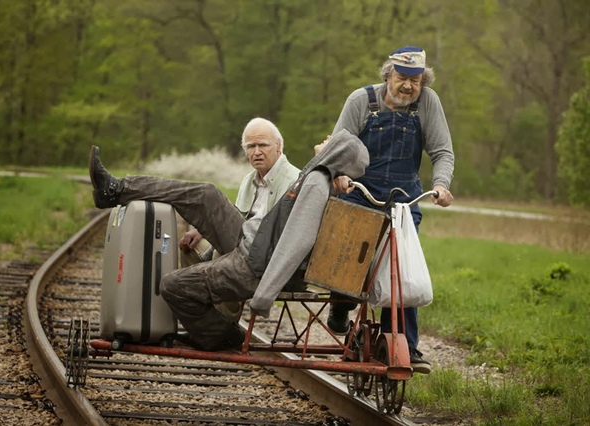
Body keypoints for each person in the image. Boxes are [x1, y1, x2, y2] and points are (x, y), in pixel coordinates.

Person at [89, 129, 369, 352]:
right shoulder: (317, 175)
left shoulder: (315, 183)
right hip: (252, 240)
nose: (324, 140)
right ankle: (116, 190)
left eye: (329, 140)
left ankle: (220, 335)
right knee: (206, 194)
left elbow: (296, 242)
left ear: (336, 151)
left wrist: (263, 296)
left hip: (255, 264)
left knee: (172, 285)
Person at [326, 46, 455, 375]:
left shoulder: (428, 102)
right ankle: (340, 304)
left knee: (402, 273)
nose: (409, 86)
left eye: (416, 80)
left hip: (403, 198)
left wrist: (440, 185)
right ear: (388, 75)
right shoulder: (361, 101)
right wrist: (338, 174)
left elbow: (442, 151)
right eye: (402, 78)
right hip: (359, 192)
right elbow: (338, 145)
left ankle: (405, 347)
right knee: (347, 262)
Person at [178, 117, 299, 264]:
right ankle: (194, 286)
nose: (257, 152)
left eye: (263, 145)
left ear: (278, 146)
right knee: (191, 246)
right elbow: (235, 220)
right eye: (251, 146)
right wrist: (203, 231)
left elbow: (287, 238)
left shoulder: (295, 181)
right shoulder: (248, 181)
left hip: (267, 256)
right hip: (241, 244)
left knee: (222, 255)